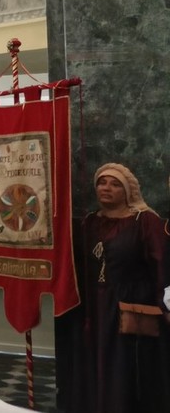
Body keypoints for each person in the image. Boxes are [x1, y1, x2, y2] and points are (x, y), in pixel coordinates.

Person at [62, 163, 169, 412]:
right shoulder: (89, 222)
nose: (106, 188)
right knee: (93, 364)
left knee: (123, 368)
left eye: (114, 184)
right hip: (93, 308)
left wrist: (167, 303)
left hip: (130, 307)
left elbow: (162, 265)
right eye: (101, 182)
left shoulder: (144, 221)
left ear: (128, 190)